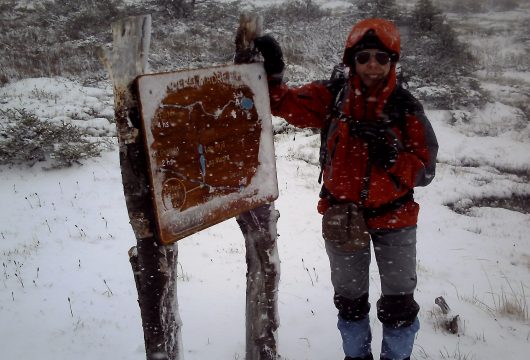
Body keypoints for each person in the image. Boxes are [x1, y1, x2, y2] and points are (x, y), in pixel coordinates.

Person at [253, 18, 438, 360]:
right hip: (342, 216)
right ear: (351, 60)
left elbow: (426, 171)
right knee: (350, 303)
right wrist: (274, 73)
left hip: (395, 217)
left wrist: (394, 155)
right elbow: (281, 103)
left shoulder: (405, 107)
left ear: (392, 62)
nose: (372, 65)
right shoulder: (332, 96)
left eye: (381, 58)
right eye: (364, 57)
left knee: (399, 304)